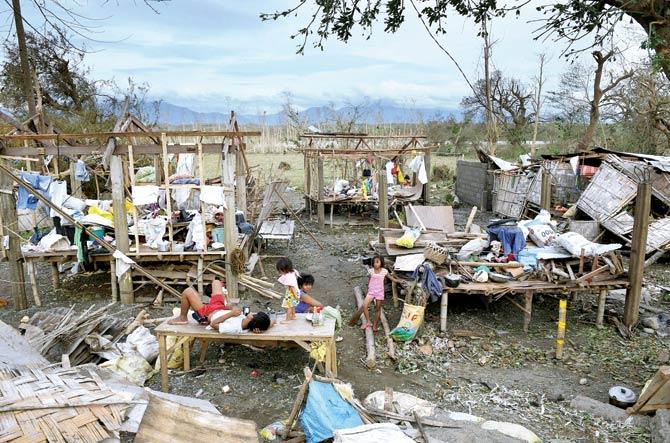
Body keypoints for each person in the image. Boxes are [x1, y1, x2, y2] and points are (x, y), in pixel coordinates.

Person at [167, 279, 272, 334]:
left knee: (188, 291)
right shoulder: (246, 319)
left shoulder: (235, 328)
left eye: (254, 314)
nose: (253, 313)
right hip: (220, 308)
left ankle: (183, 318)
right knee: (216, 282)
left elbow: (213, 324)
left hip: (208, 314)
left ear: (252, 318)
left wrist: (231, 313)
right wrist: (229, 306)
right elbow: (271, 322)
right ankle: (211, 297)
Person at [349, 254, 404, 333]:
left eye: (377, 262)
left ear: (381, 263)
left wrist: (399, 280)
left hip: (379, 293)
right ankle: (368, 322)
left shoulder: (384, 271)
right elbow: (370, 280)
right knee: (364, 306)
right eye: (374, 262)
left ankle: (375, 325)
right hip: (371, 292)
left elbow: (392, 279)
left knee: (378, 309)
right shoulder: (370, 271)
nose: (375, 264)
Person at [276, 257, 300, 321]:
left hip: (291, 294)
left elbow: (291, 288)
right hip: (296, 291)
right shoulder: (292, 272)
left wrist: (295, 296)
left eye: (280, 270)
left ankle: (287, 319)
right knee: (292, 306)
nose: (280, 272)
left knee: (289, 307)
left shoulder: (288, 277)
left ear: (284, 269)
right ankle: (293, 316)